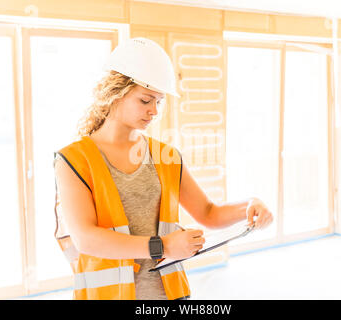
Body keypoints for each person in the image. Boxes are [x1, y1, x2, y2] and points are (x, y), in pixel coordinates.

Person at [53, 37, 273, 300]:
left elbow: (208, 213)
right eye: (146, 100)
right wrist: (163, 246)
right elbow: (86, 239)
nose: (154, 111)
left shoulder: (166, 156)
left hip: (170, 296)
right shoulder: (73, 160)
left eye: (159, 101)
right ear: (115, 94)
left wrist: (248, 205)